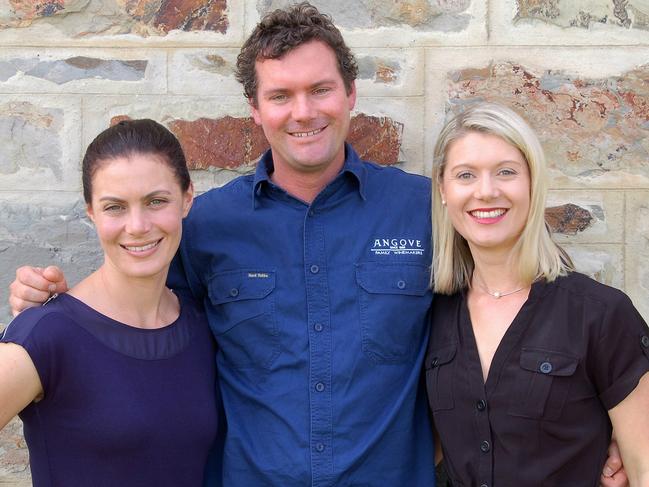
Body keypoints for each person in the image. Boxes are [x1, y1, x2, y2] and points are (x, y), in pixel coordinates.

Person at [6, 4, 629, 486]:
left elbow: (529, 303)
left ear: (350, 94)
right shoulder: (203, 226)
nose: (303, 112)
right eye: (280, 95)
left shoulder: (426, 208)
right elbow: (138, 317)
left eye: (320, 89)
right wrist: (50, 303)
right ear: (255, 108)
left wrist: (597, 432)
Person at [426, 102, 649, 486]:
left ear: (533, 182)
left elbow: (643, 466)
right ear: (443, 190)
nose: (486, 191)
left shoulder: (601, 315)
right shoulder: (431, 317)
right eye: (465, 175)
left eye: (506, 172)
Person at [1, 119, 219, 486]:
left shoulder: (201, 325)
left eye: (156, 201)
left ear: (187, 199)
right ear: (91, 212)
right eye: (115, 207)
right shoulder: (48, 334)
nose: (137, 225)